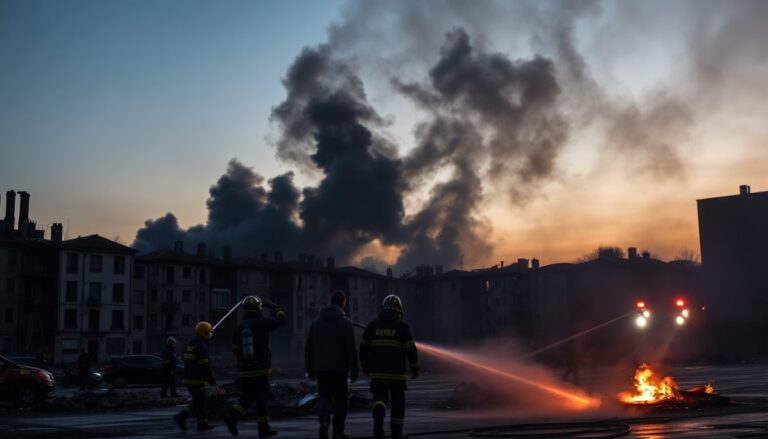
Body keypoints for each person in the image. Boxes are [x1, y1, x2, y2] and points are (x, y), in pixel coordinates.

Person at [224, 296, 287, 437]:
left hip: (244, 370)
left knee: (246, 397)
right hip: (260, 369)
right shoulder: (262, 322)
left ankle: (233, 415)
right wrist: (273, 306)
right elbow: (283, 320)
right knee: (262, 399)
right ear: (259, 308)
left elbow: (235, 350)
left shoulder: (239, 327)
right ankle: (263, 429)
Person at [360, 295, 419, 439]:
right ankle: (396, 434)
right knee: (398, 405)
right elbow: (411, 350)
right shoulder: (402, 327)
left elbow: (363, 349)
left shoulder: (372, 326)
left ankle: (378, 423)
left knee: (379, 398)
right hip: (397, 376)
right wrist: (414, 367)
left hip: (378, 374)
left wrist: (365, 366)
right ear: (399, 310)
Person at [305, 290, 359, 439]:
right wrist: (354, 370)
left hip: (322, 370)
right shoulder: (346, 323)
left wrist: (310, 369)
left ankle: (323, 423)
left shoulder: (316, 323)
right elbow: (351, 349)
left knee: (324, 397)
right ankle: (338, 431)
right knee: (341, 400)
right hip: (340, 370)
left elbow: (308, 347)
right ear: (343, 303)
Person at [174, 322, 217, 432]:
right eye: (209, 332)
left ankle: (200, 423)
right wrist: (211, 378)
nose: (210, 335)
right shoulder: (201, 345)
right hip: (197, 378)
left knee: (199, 401)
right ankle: (182, 417)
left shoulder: (191, 343)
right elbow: (204, 365)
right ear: (205, 332)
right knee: (201, 401)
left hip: (189, 377)